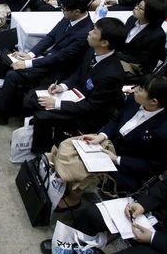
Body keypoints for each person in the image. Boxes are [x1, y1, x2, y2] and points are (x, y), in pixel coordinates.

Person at [57, 75, 167, 209]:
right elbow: (116, 120)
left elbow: (153, 166)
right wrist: (102, 136)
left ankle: (74, 198)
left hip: (127, 168)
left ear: (154, 101)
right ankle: (63, 181)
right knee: (71, 146)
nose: (134, 90)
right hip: (109, 147)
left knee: (81, 168)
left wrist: (117, 159)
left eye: (140, 89)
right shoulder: (133, 102)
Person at [0, 0, 93, 125]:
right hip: (48, 58)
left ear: (77, 11)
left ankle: (0, 115)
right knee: (5, 58)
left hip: (58, 70)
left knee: (13, 75)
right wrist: (30, 55)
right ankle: (7, 99)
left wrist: (27, 64)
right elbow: (50, 37)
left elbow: (60, 58)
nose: (62, 12)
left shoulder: (84, 33)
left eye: (64, 9)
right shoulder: (69, 17)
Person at [30, 17, 127, 154]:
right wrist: (63, 86)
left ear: (104, 42)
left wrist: (57, 103)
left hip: (88, 115)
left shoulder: (112, 74)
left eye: (94, 31)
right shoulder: (92, 51)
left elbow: (92, 107)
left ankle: (43, 154)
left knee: (42, 114)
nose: (89, 32)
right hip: (76, 95)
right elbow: (79, 73)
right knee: (34, 98)